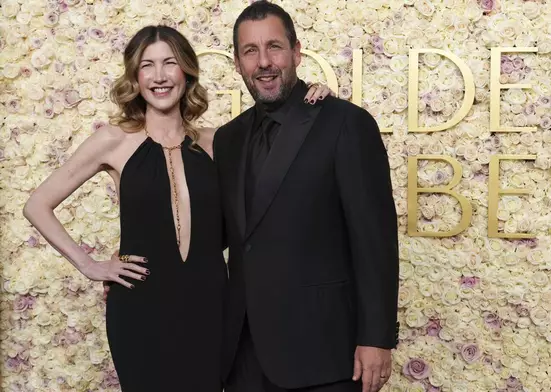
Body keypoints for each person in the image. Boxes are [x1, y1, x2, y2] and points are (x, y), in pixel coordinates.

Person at [23, 25, 332, 391]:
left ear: (186, 71)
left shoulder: (219, 141)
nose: (159, 76)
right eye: (147, 65)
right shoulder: (112, 140)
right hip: (140, 308)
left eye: (169, 63)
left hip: (210, 304)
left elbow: (282, 160)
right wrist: (89, 265)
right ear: (135, 77)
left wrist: (312, 98)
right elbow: (37, 204)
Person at [213, 2, 400, 392]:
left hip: (325, 355)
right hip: (244, 357)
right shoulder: (227, 139)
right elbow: (221, 236)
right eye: (250, 51)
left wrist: (377, 337)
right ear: (237, 63)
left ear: (296, 52)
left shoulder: (346, 124)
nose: (264, 62)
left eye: (274, 47)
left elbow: (374, 239)